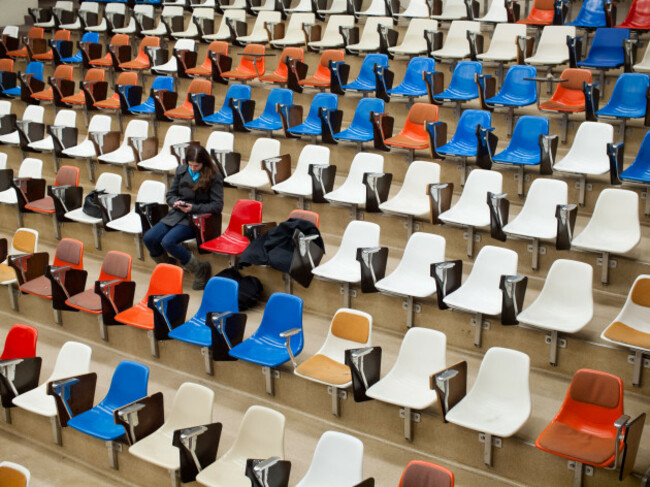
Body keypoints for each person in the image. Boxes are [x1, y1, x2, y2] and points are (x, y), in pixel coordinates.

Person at [143, 144, 223, 290]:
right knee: (149, 238)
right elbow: (170, 195)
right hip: (177, 214)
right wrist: (175, 202)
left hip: (198, 219)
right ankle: (168, 267)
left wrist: (194, 208)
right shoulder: (181, 170)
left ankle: (200, 269)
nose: (192, 168)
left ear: (204, 162)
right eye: (190, 165)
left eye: (196, 165)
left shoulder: (214, 176)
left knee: (168, 242)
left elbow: (217, 206)